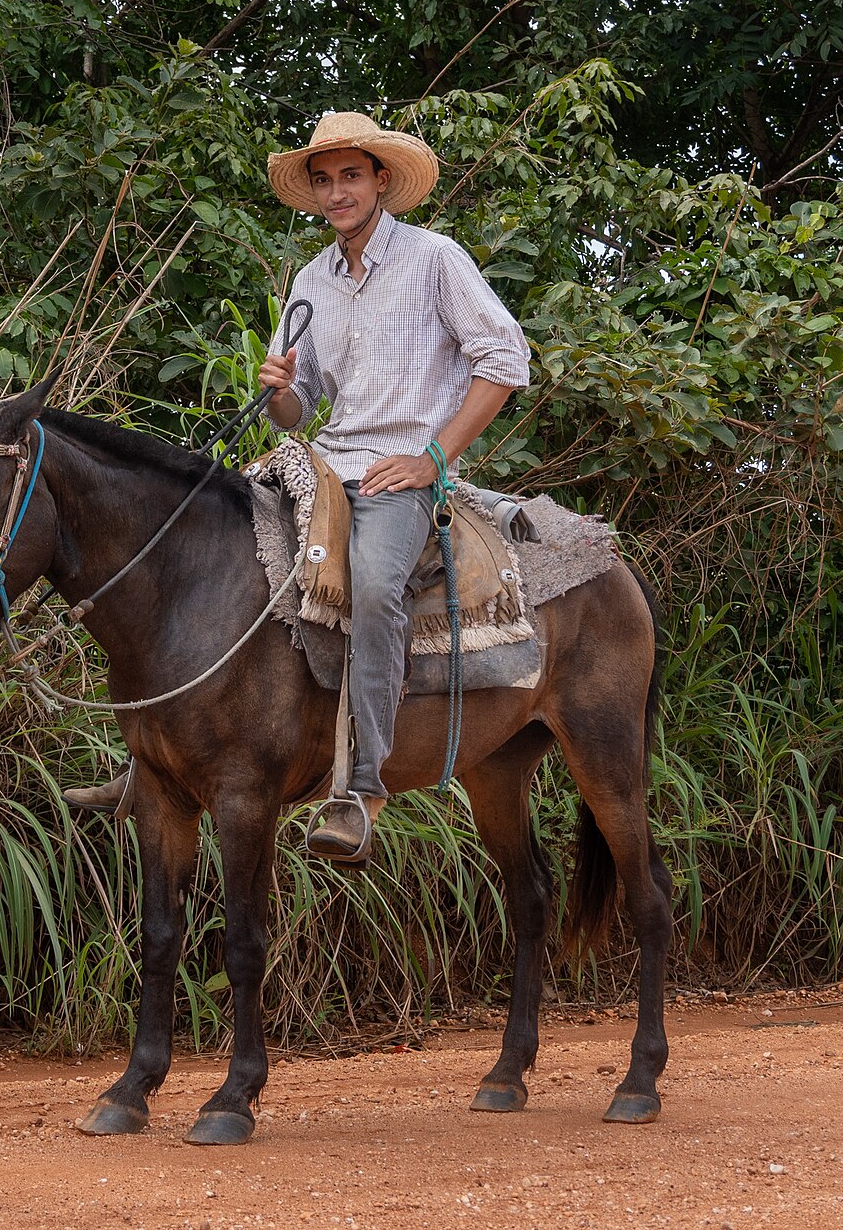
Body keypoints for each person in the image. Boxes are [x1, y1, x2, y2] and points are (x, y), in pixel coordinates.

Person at [63, 111, 531, 861]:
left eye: (351, 175)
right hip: (320, 462)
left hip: (395, 473)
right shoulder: (313, 278)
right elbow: (297, 407)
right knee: (201, 556)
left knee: (377, 590)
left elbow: (505, 359)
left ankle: (362, 786)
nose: (337, 191)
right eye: (324, 179)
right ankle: (151, 759)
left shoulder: (435, 259)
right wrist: (278, 386)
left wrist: (432, 461)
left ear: (381, 179)